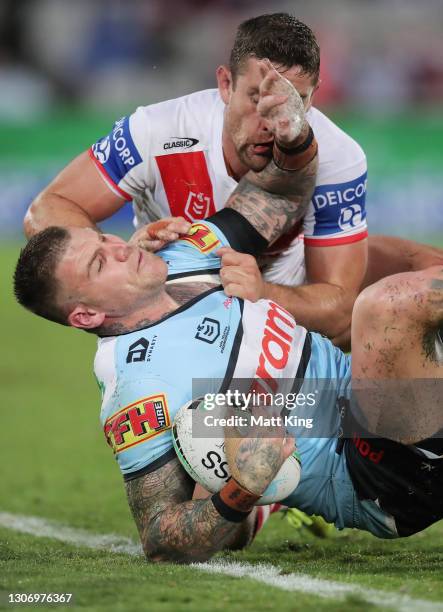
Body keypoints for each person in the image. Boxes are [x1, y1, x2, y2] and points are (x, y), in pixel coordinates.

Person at [14, 75, 443, 563]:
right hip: (373, 473)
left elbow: (276, 198)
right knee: (391, 304)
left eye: (107, 240)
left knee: (419, 278)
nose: (121, 249)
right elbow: (159, 536)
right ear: (86, 313)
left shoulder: (184, 254)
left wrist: (293, 136)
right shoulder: (137, 387)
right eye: (99, 264)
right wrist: (240, 492)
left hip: (374, 395)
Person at [23, 12, 369, 348]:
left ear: (315, 94)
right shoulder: (157, 130)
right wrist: (119, 257)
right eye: (256, 97)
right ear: (225, 84)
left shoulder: (338, 156)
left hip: (275, 323)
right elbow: (48, 209)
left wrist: (264, 294)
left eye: (295, 102)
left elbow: (339, 310)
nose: (272, 120)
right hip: (165, 315)